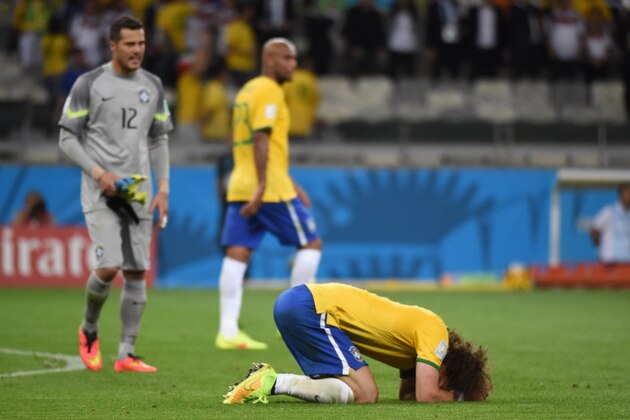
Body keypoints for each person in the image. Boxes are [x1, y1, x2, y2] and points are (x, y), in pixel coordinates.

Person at [58, 15, 173, 373]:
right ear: (112, 46)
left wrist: (164, 188)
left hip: (138, 190)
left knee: (137, 272)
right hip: (100, 189)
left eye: (141, 43)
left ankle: (126, 354)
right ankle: (89, 329)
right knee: (109, 266)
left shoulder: (152, 85)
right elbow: (66, 138)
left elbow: (158, 138)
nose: (137, 50)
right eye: (130, 44)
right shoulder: (88, 84)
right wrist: (99, 172)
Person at [215, 38, 322, 350]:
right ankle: (298, 320)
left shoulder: (247, 90)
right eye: (287, 59)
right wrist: (264, 184)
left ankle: (227, 331)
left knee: (237, 253)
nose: (293, 65)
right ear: (271, 60)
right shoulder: (271, 91)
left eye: (294, 59)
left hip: (241, 184)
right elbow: (261, 138)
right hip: (269, 189)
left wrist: (288, 181)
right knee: (311, 243)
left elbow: (245, 139)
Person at [223, 282, 492, 404]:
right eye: (446, 383)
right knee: (366, 394)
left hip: (300, 303)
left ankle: (267, 382)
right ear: (449, 369)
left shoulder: (416, 353)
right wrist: (460, 396)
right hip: (312, 307)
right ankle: (271, 382)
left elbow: (407, 396)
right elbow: (426, 395)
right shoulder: (436, 334)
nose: (438, 384)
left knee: (349, 391)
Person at [590, 183, 630, 263]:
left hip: (626, 260)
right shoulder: (609, 211)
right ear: (621, 194)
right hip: (610, 262)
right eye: (627, 193)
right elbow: (594, 229)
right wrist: (602, 246)